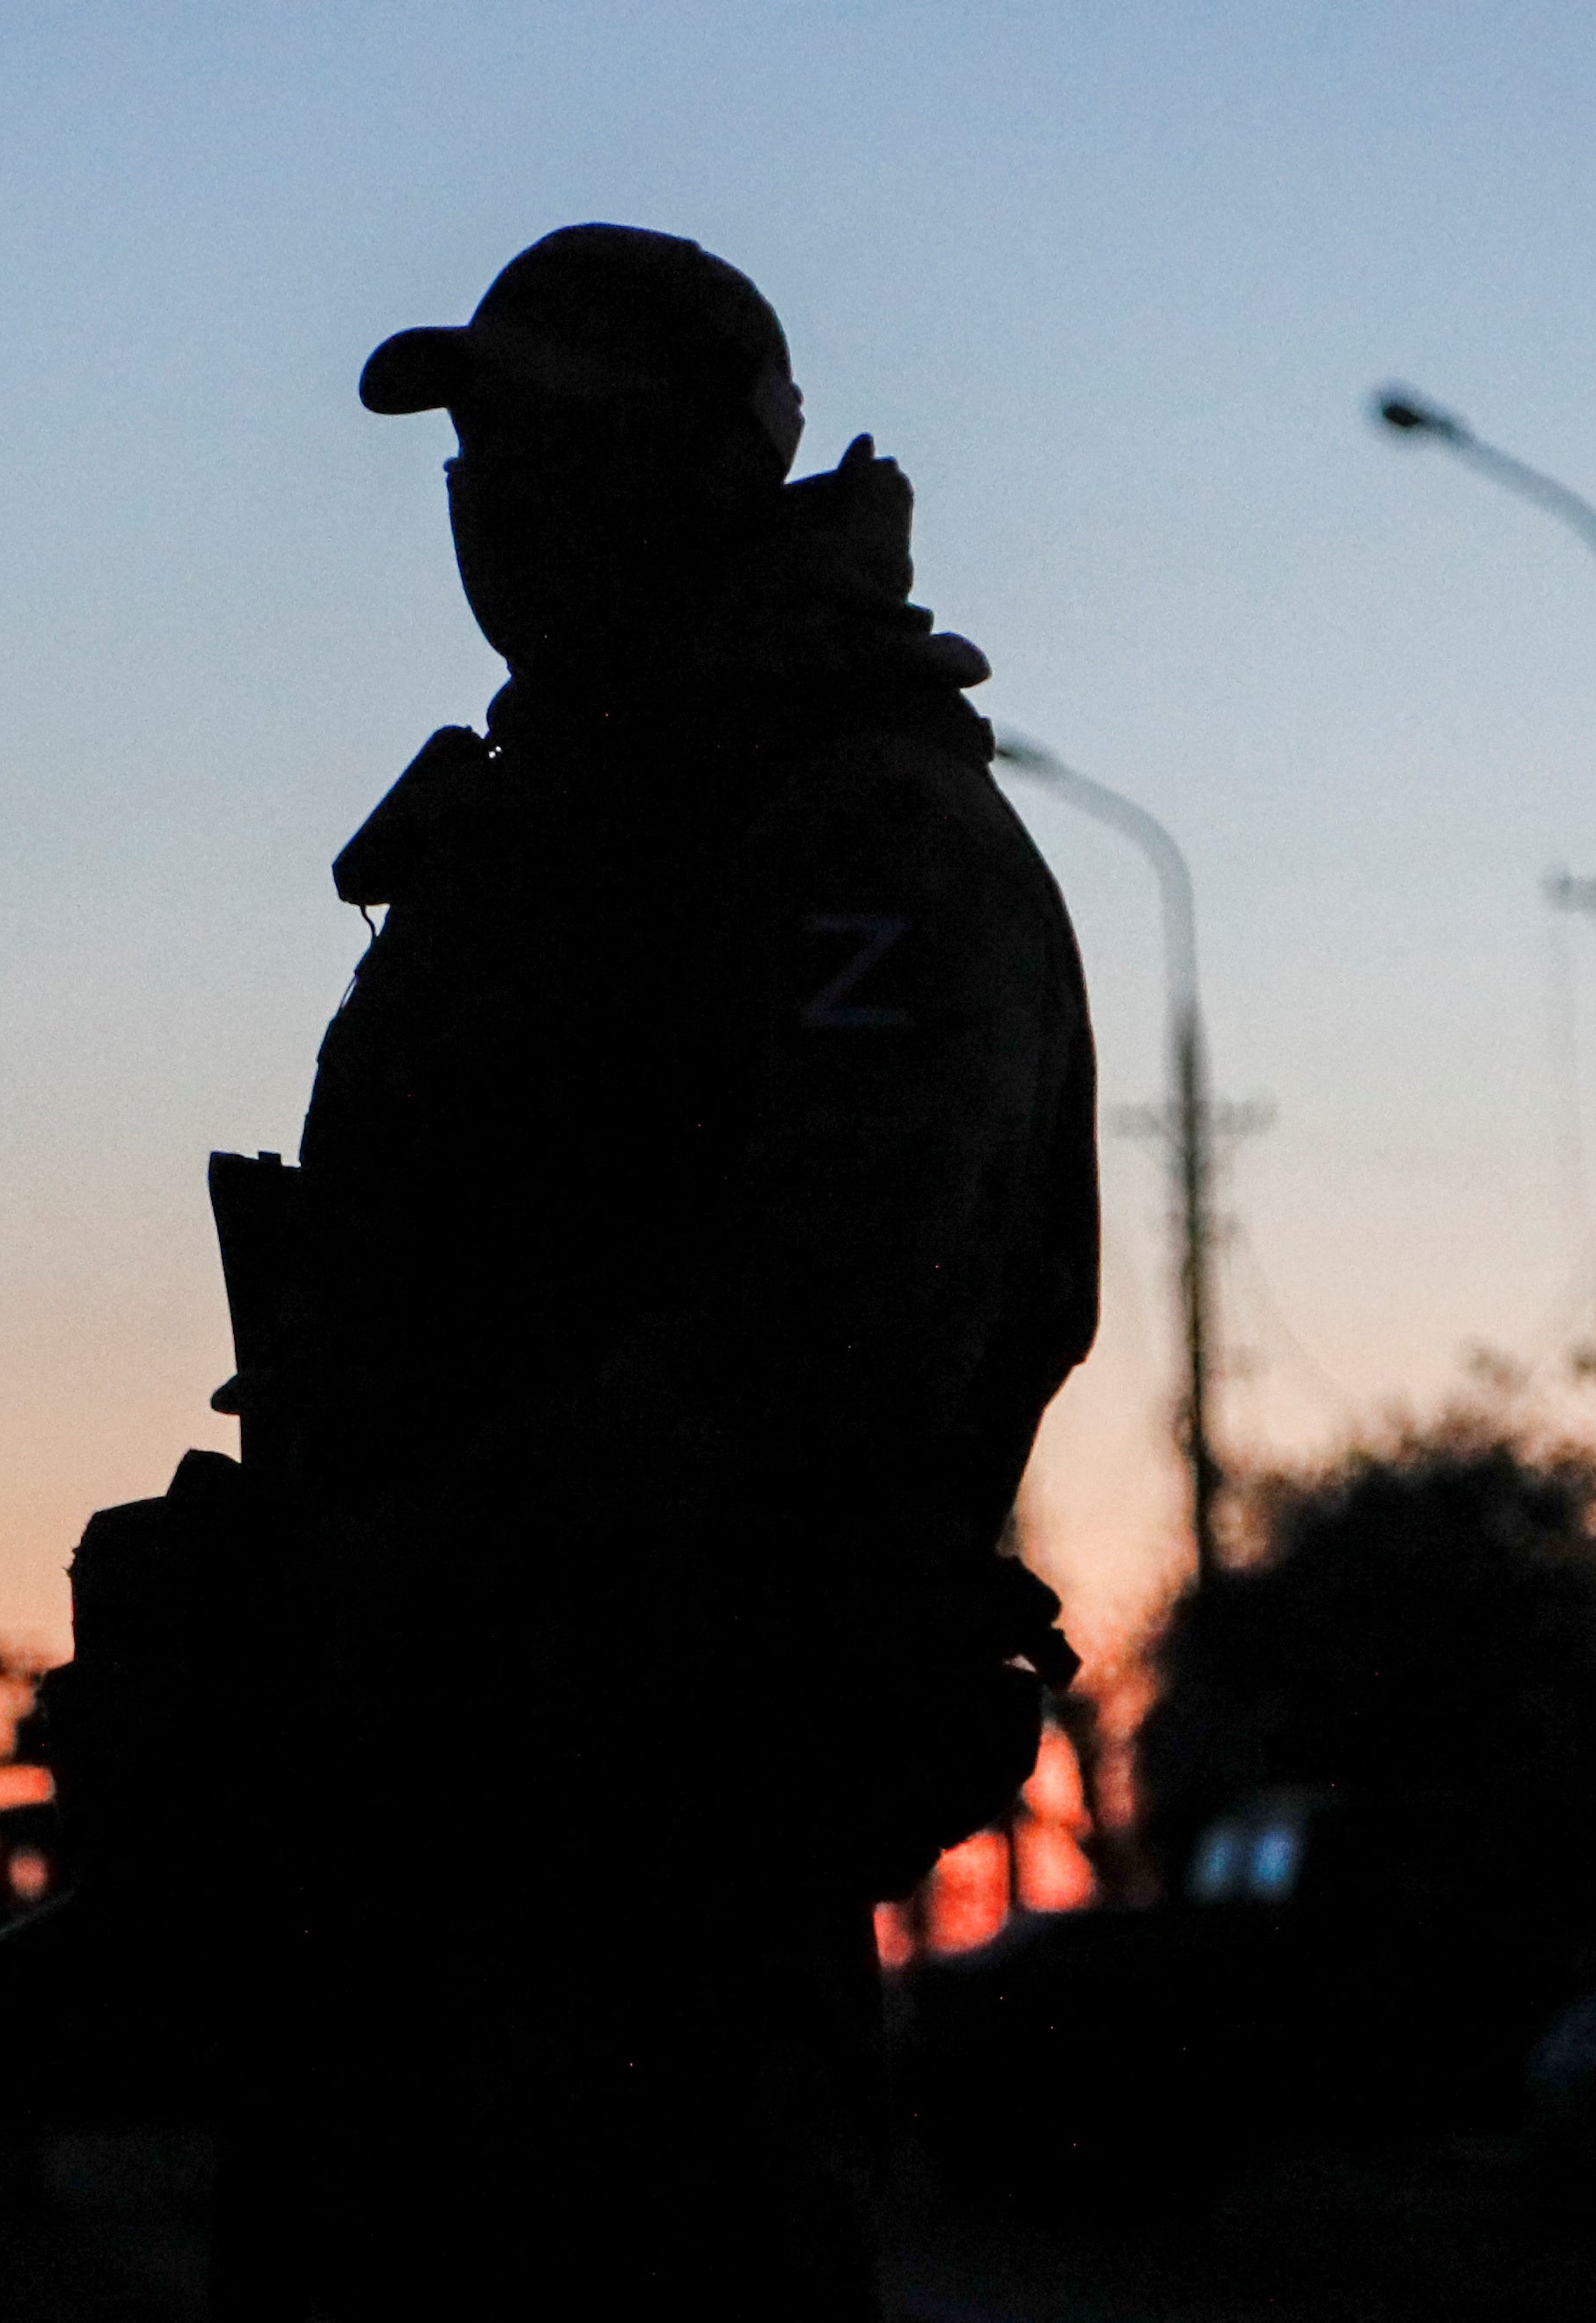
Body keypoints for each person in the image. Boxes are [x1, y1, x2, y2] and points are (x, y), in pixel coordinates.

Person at [243, 227, 1099, 2317]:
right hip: (440, 1830)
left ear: (703, 468)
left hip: (664, 1843)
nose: (496, 505)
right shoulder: (573, 814)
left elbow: (831, 1330)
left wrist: (418, 1563)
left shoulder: (844, 825)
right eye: (471, 451)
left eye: (557, 446)